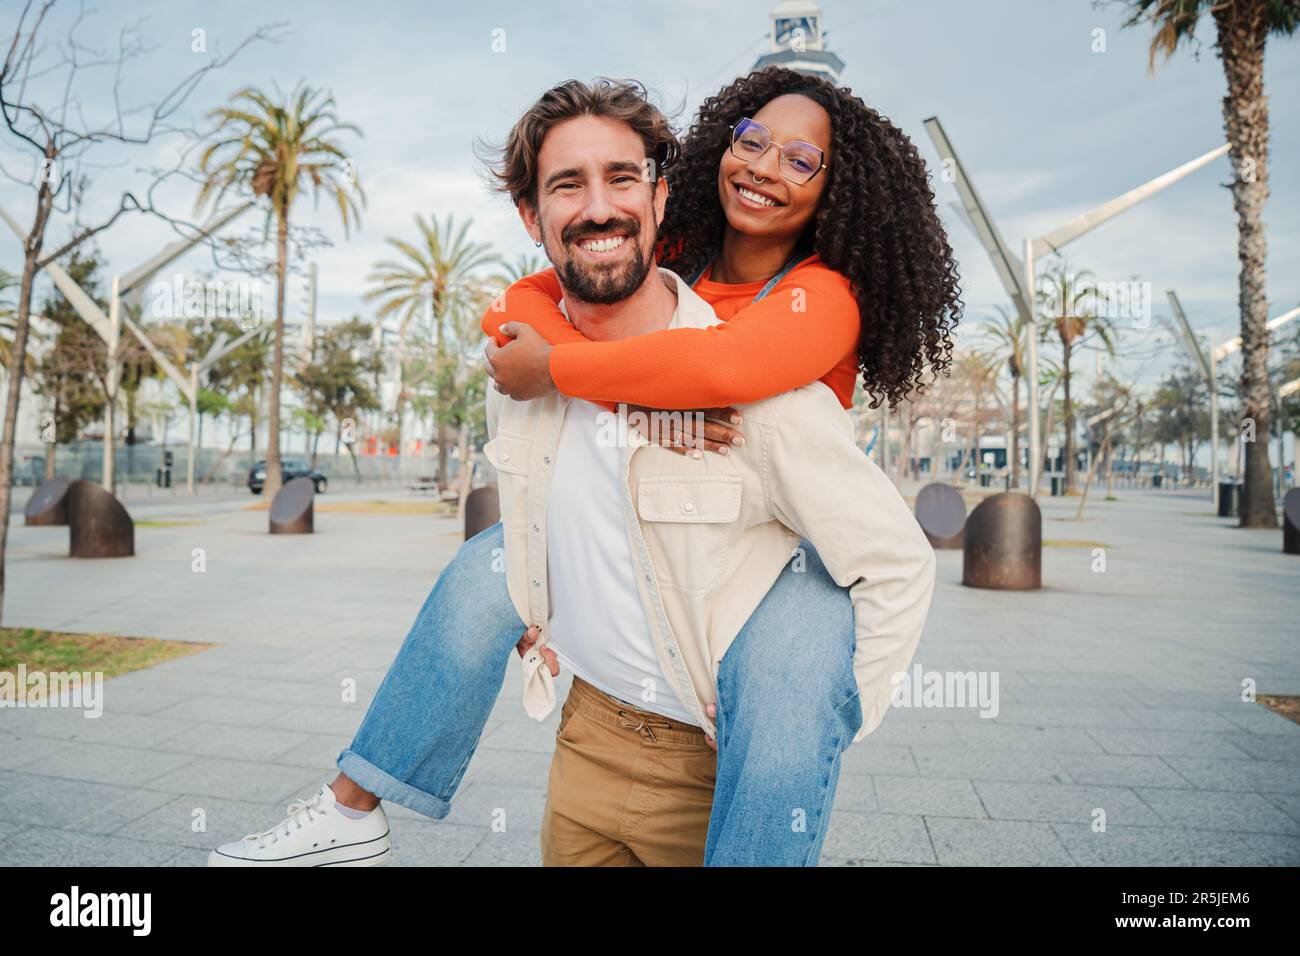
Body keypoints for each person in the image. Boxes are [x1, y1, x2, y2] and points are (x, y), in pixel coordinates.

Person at [208, 70, 958, 868]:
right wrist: (613, 398)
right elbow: (518, 307)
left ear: (835, 192)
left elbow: (729, 367)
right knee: (488, 565)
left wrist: (835, 712)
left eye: (802, 160)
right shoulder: (667, 249)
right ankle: (352, 805)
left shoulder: (819, 297)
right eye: (753, 141)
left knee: (793, 689)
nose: (767, 167)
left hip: (783, 543)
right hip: (616, 673)